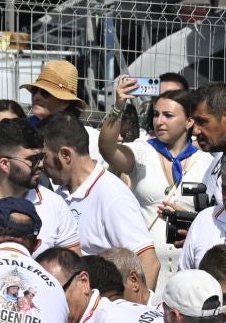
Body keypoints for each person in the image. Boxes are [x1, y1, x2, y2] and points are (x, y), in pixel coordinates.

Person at [42, 113, 159, 287]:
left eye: (45, 157)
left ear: (65, 155)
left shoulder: (113, 196)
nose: (41, 164)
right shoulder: (59, 195)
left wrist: (137, 311)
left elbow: (149, 262)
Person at [100, 82, 210, 245]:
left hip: (189, 261)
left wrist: (193, 222)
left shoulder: (207, 162)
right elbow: (107, 148)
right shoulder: (142, 151)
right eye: (156, 114)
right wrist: (118, 107)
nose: (159, 121)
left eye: (168, 115)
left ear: (189, 122)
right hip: (146, 262)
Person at [0, 118, 81, 251]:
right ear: (5, 164)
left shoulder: (54, 204)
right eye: (33, 159)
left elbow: (71, 264)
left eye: (42, 157)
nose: (40, 165)